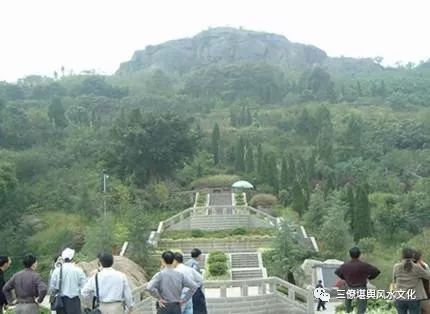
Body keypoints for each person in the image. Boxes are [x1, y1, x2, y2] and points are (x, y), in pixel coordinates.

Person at [334, 247, 380, 314]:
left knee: (348, 309)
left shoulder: (345, 266)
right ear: (359, 255)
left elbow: (337, 272)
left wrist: (345, 278)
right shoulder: (364, 265)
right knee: (361, 310)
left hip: (349, 288)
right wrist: (369, 278)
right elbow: (376, 271)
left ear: (350, 255)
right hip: (361, 288)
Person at [393, 248, 430, 314]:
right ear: (413, 255)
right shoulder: (416, 267)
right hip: (413, 298)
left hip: (400, 297)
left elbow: (394, 279)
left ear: (402, 256)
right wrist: (423, 265)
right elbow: (428, 276)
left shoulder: (396, 267)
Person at [50, 248, 86, 314]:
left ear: (63, 258)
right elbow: (84, 287)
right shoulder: (78, 270)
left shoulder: (57, 271)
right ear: (73, 258)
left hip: (61, 302)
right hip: (74, 301)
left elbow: (52, 287)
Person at [185, 249, 207, 314]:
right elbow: (197, 278)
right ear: (199, 255)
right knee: (199, 309)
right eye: (201, 255)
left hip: (187, 289)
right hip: (195, 290)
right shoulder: (195, 264)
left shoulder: (186, 263)